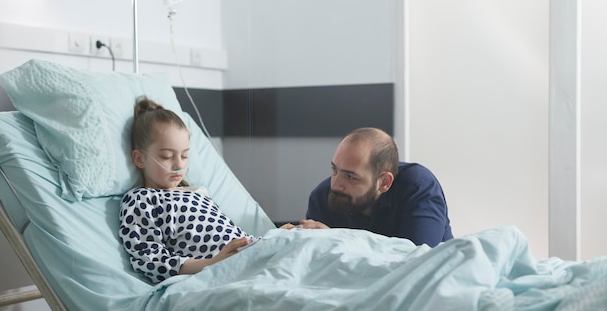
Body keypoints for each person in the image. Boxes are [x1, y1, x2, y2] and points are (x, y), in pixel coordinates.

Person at [119, 97, 278, 284]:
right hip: (225, 269)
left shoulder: (199, 192)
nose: (179, 164)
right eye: (167, 156)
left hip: (255, 253)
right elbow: (150, 261)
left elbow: (229, 233)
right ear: (139, 159)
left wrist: (277, 238)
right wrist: (213, 263)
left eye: (185, 155)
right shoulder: (141, 200)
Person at [301, 127, 453, 247]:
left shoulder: (418, 187)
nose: (335, 185)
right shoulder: (322, 197)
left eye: (350, 176)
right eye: (335, 170)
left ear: (384, 182)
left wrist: (337, 242)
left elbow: (417, 263)